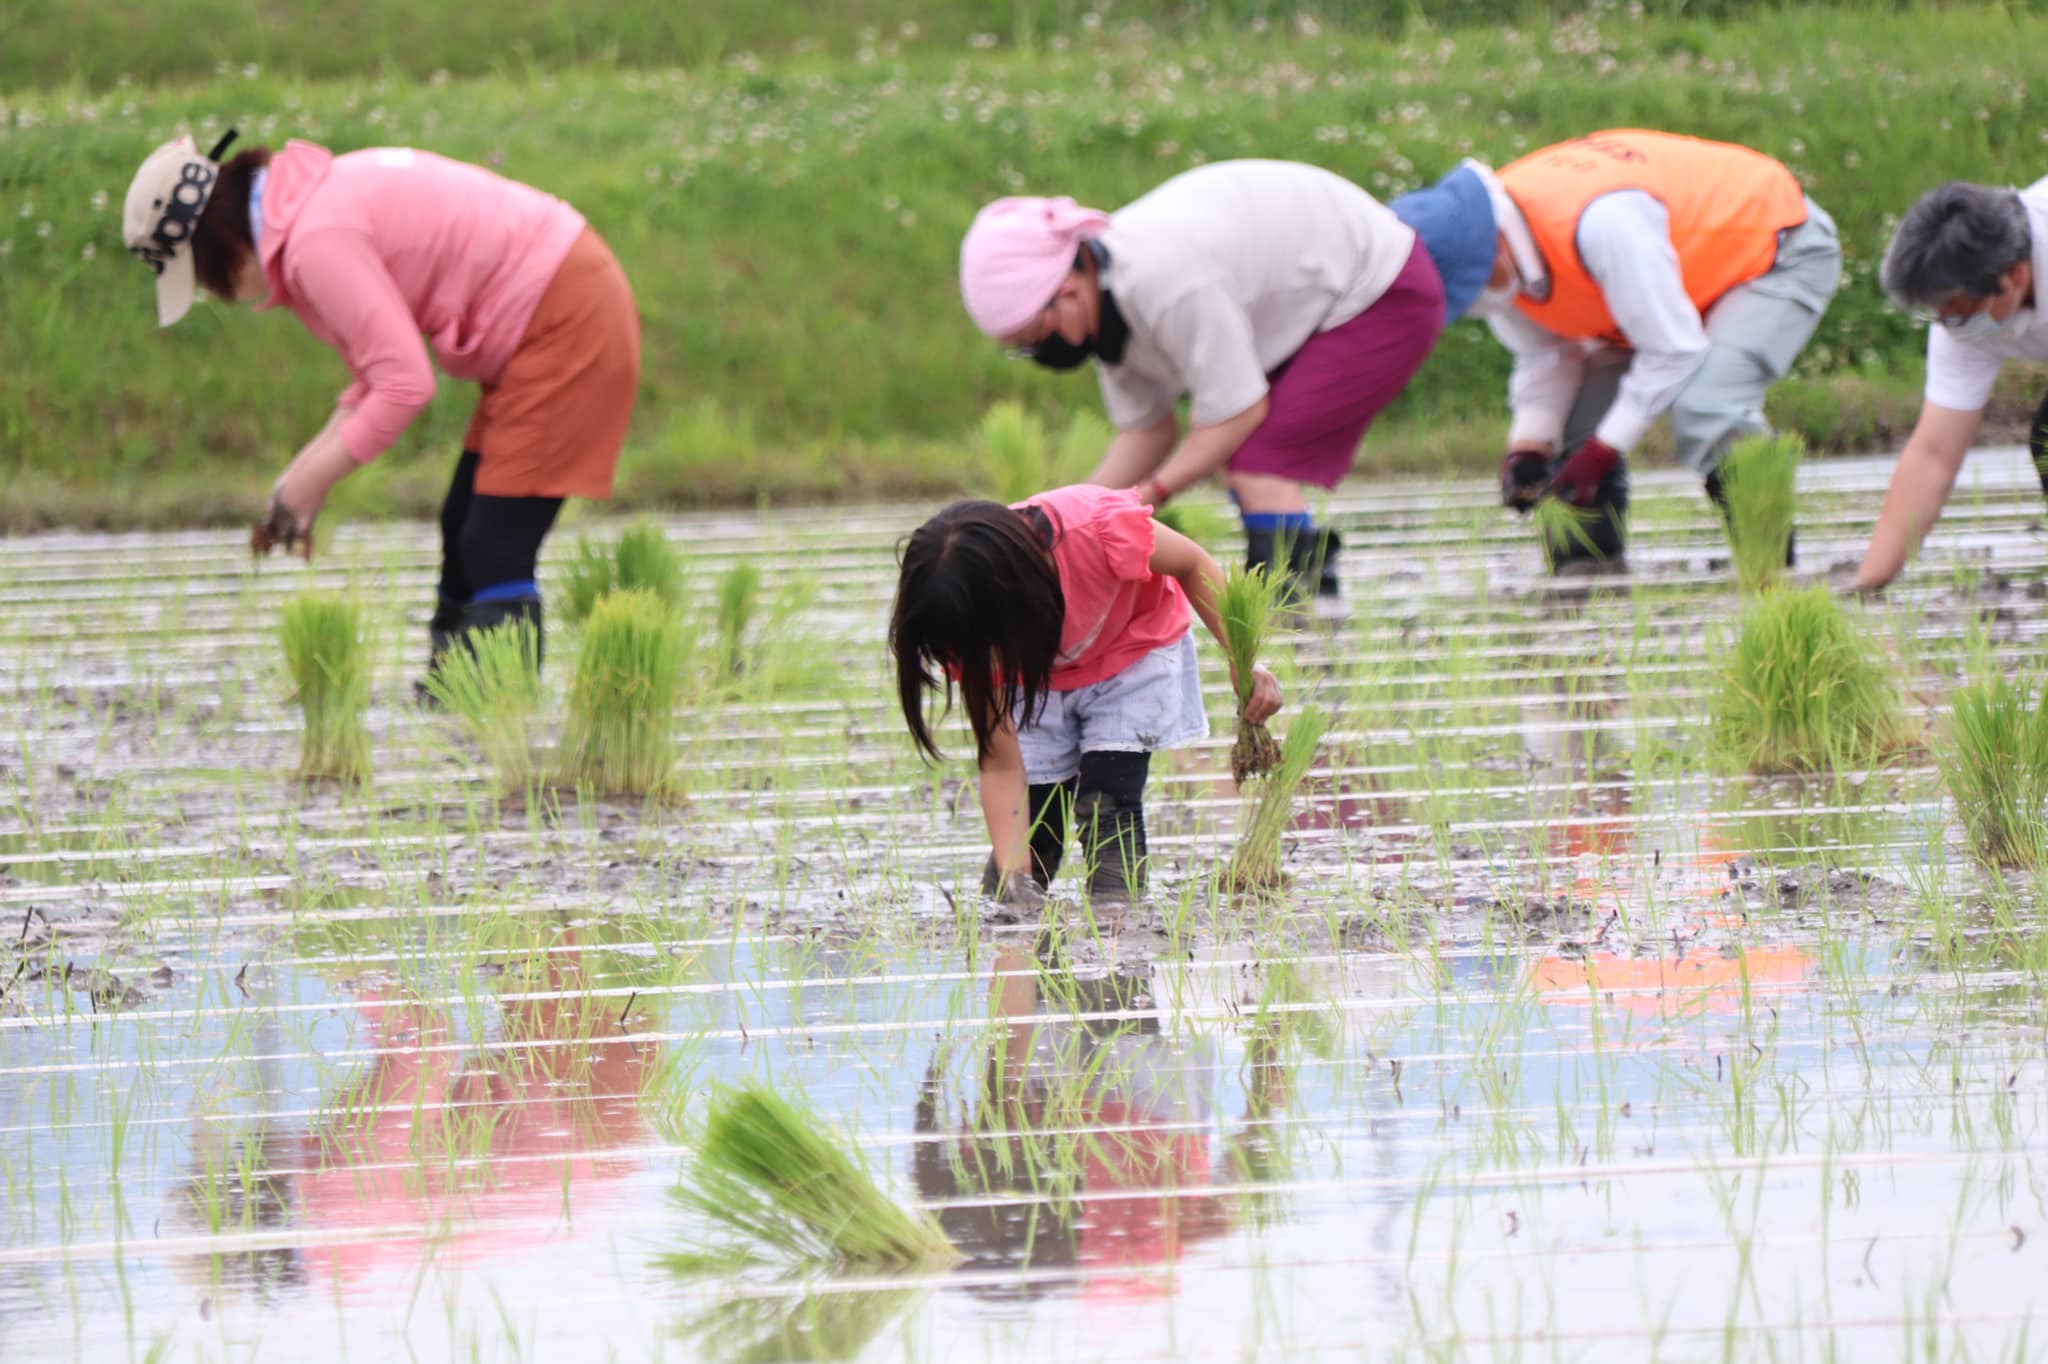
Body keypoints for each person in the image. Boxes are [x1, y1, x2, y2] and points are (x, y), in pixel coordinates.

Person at [121, 130, 641, 679]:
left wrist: (311, 482)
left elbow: (404, 385)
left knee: (493, 543)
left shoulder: (316, 241)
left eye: (201, 275)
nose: (215, 290)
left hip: (565, 317)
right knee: (463, 526)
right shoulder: (308, 214)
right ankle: (455, 706)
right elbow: (374, 380)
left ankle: (500, 722)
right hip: (560, 298)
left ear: (215, 241)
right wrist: (297, 482)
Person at [957, 160, 1445, 602]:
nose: (1040, 355)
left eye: (1035, 338)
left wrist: (1149, 495)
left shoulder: (1164, 282)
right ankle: (1302, 597)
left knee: (1257, 466)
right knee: (1247, 464)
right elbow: (1149, 431)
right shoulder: (1105, 311)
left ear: (1067, 291)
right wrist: (1060, 519)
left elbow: (1238, 411)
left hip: (1378, 287)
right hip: (1300, 305)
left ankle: (1299, 623)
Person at [1455, 130, 1842, 573]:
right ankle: (1586, 584)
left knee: (1710, 408)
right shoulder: (1496, 264)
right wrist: (1528, 450)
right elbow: (1547, 357)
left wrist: (1603, 451)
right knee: (1571, 432)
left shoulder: (1603, 225)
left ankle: (1771, 575)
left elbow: (1673, 352)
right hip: (1669, 281)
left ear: (1493, 248)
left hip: (1768, 248)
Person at [889, 484, 1282, 905]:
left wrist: (1242, 659)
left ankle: (1119, 923)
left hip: (1131, 648)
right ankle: (1007, 907)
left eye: (992, 647)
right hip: (1036, 675)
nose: (985, 658)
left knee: (1106, 799)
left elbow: (1191, 562)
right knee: (1036, 821)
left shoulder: (1095, 529)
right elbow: (1002, 766)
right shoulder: (965, 625)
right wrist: (1014, 879)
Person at [1851, 179, 2048, 594]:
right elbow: (1934, 455)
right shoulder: (1963, 327)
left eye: (1956, 310)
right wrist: (1867, 586)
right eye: (1937, 312)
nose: (1948, 324)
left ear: (2016, 274)